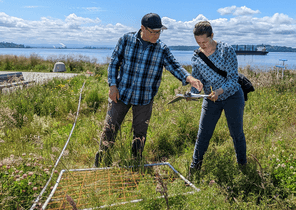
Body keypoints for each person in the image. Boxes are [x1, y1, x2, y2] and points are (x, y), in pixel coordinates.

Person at [94, 13, 203, 167]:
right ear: (142, 28)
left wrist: (190, 78)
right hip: (121, 94)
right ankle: (101, 163)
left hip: (144, 98)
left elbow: (175, 66)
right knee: (109, 129)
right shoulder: (126, 40)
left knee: (140, 134)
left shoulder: (162, 48)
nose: (156, 35)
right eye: (153, 32)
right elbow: (114, 63)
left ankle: (135, 163)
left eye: (159, 32)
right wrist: (112, 85)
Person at [188, 21, 247, 172]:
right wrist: (191, 94)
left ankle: (242, 167)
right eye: (198, 42)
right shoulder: (196, 57)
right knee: (203, 135)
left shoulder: (226, 50)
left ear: (212, 36)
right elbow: (197, 83)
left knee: (236, 134)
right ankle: (194, 170)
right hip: (211, 99)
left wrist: (220, 91)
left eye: (205, 42)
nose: (202, 46)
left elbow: (233, 80)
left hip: (232, 96)